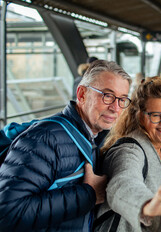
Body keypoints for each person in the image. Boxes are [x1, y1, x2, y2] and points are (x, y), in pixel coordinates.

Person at [0, 60, 132, 231]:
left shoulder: (91, 137)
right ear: (82, 94)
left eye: (122, 99)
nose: (116, 108)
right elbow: (7, 212)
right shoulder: (45, 139)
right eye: (107, 96)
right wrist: (89, 194)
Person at [96, 76, 161, 231]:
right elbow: (122, 183)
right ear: (140, 117)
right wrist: (148, 205)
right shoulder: (128, 150)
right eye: (156, 115)